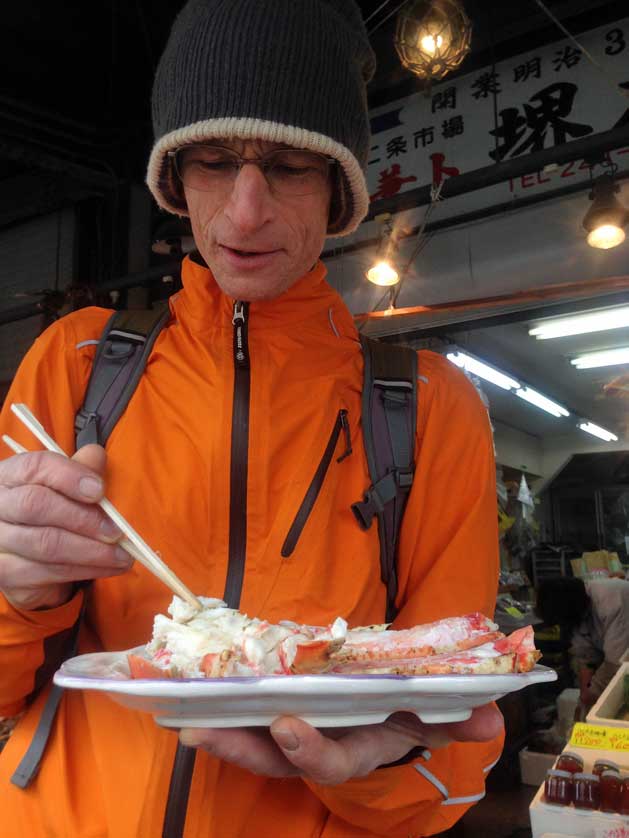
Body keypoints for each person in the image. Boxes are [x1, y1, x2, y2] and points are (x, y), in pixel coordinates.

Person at [0, 1, 504, 836]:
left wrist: (378, 766)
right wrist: (18, 596)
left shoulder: (430, 407)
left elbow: (454, 747)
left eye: (288, 166)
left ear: (342, 186)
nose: (242, 213)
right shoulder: (77, 364)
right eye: (211, 160)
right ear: (172, 176)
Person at [537, 576, 629, 707]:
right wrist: (585, 694)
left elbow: (615, 661)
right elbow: (586, 656)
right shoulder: (577, 610)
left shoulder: (611, 601)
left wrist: (593, 692)